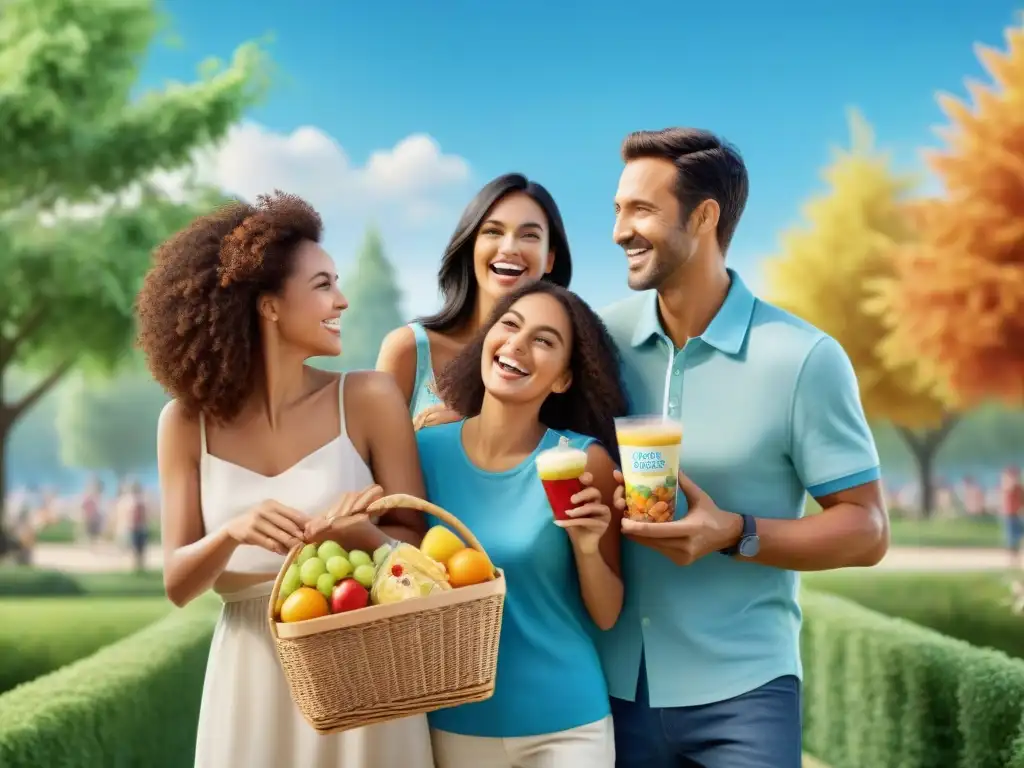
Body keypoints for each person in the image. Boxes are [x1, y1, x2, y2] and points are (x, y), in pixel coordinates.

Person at [597, 128, 890, 767]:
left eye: (641, 210)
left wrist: (735, 531)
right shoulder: (599, 340)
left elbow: (867, 529)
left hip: (746, 691)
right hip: (612, 688)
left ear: (704, 217)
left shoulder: (803, 359)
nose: (621, 231)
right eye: (618, 210)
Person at [135, 192, 435, 768]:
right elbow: (176, 583)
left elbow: (423, 546)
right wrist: (232, 533)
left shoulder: (369, 398)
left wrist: (361, 535)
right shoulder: (183, 424)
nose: (341, 300)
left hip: (363, 665)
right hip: (248, 675)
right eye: (322, 285)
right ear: (269, 306)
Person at [416, 280, 628, 767]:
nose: (517, 344)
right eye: (509, 325)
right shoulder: (423, 452)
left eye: (544, 340)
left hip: (568, 725)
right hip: (455, 724)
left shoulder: (579, 460)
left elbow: (607, 613)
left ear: (562, 379)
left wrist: (588, 547)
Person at [377, 173, 572, 424]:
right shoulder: (408, 350)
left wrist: (474, 430)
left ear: (550, 259)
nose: (510, 248)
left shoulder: (560, 363)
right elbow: (367, 459)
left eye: (529, 235)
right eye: (493, 231)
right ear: (471, 247)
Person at [1000, 466, 1023, 570]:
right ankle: (1012, 559)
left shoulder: (1019, 488)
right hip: (1009, 515)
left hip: (1017, 515)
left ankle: (1015, 558)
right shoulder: (1008, 486)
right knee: (1011, 537)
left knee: (1016, 537)